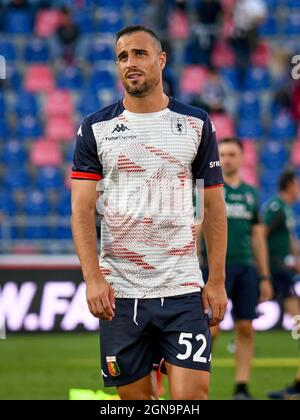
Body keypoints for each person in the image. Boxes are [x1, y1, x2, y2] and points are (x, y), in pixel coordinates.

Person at [71, 25, 227, 400]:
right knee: (137, 402)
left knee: (192, 399)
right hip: (121, 295)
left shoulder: (195, 123)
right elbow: (81, 209)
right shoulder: (96, 128)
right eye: (122, 56)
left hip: (182, 289)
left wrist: (217, 280)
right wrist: (93, 279)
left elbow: (214, 208)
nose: (130, 63)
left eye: (139, 53)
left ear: (161, 60)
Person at [199, 137, 273, 400]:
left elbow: (257, 236)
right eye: (224, 154)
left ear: (242, 158)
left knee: (245, 328)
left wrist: (264, 275)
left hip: (245, 268)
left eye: (233, 154)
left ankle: (241, 387)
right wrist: (197, 266)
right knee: (211, 329)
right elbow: (196, 228)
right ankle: (197, 382)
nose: (228, 159)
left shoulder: (251, 194)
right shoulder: (207, 188)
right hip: (215, 268)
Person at [262, 169, 300, 400]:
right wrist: (269, 263)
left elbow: (289, 238)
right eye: (296, 185)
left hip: (283, 267)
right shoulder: (276, 206)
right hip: (276, 268)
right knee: (290, 302)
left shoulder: (285, 208)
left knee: (290, 301)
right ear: (288, 185)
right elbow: (262, 233)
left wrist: (295, 259)